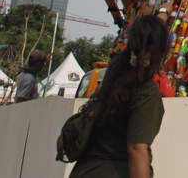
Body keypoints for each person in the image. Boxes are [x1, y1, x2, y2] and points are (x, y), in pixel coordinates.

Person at [70, 14, 170, 178]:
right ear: (160, 51)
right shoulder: (145, 91)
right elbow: (137, 149)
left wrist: (161, 16)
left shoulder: (114, 73)